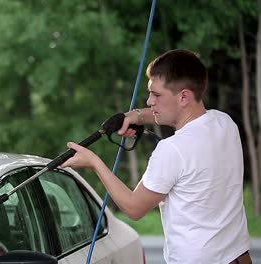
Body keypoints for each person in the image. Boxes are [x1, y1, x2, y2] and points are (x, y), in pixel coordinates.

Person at [61, 49, 252, 264]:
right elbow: (182, 115)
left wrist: (94, 162)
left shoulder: (172, 149)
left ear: (184, 96)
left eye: (157, 95)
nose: (150, 101)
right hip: (239, 258)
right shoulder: (224, 123)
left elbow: (134, 207)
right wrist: (138, 116)